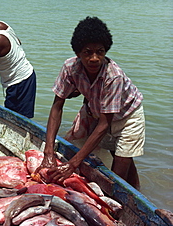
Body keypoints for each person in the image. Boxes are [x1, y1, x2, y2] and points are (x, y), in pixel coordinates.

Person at [38, 17, 145, 190]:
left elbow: (104, 124)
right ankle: (138, 192)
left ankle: (131, 199)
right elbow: (57, 106)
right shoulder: (70, 68)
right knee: (122, 157)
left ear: (106, 51)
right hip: (99, 113)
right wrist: (48, 151)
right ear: (78, 53)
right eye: (87, 52)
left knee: (117, 174)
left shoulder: (113, 76)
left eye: (100, 52)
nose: (94, 58)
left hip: (128, 117)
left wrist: (72, 164)